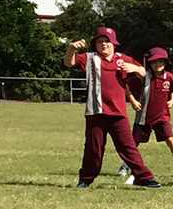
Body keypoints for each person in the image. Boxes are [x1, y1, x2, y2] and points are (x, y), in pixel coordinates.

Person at [62, 27, 159, 188]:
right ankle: (85, 179)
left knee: (128, 148)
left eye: (107, 41)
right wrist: (71, 48)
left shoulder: (122, 59)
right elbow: (69, 62)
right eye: (100, 42)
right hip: (96, 112)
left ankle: (144, 178)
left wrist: (135, 69)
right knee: (94, 149)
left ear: (114, 44)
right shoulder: (90, 58)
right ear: (95, 45)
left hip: (118, 113)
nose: (104, 45)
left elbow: (143, 72)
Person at [130, 48, 173, 179]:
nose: (158, 65)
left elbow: (172, 90)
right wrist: (133, 101)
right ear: (149, 63)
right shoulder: (143, 76)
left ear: (166, 63)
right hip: (144, 116)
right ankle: (126, 165)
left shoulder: (169, 77)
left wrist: (172, 99)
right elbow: (127, 87)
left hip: (162, 116)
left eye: (161, 61)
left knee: (170, 139)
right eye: (155, 62)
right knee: (134, 143)